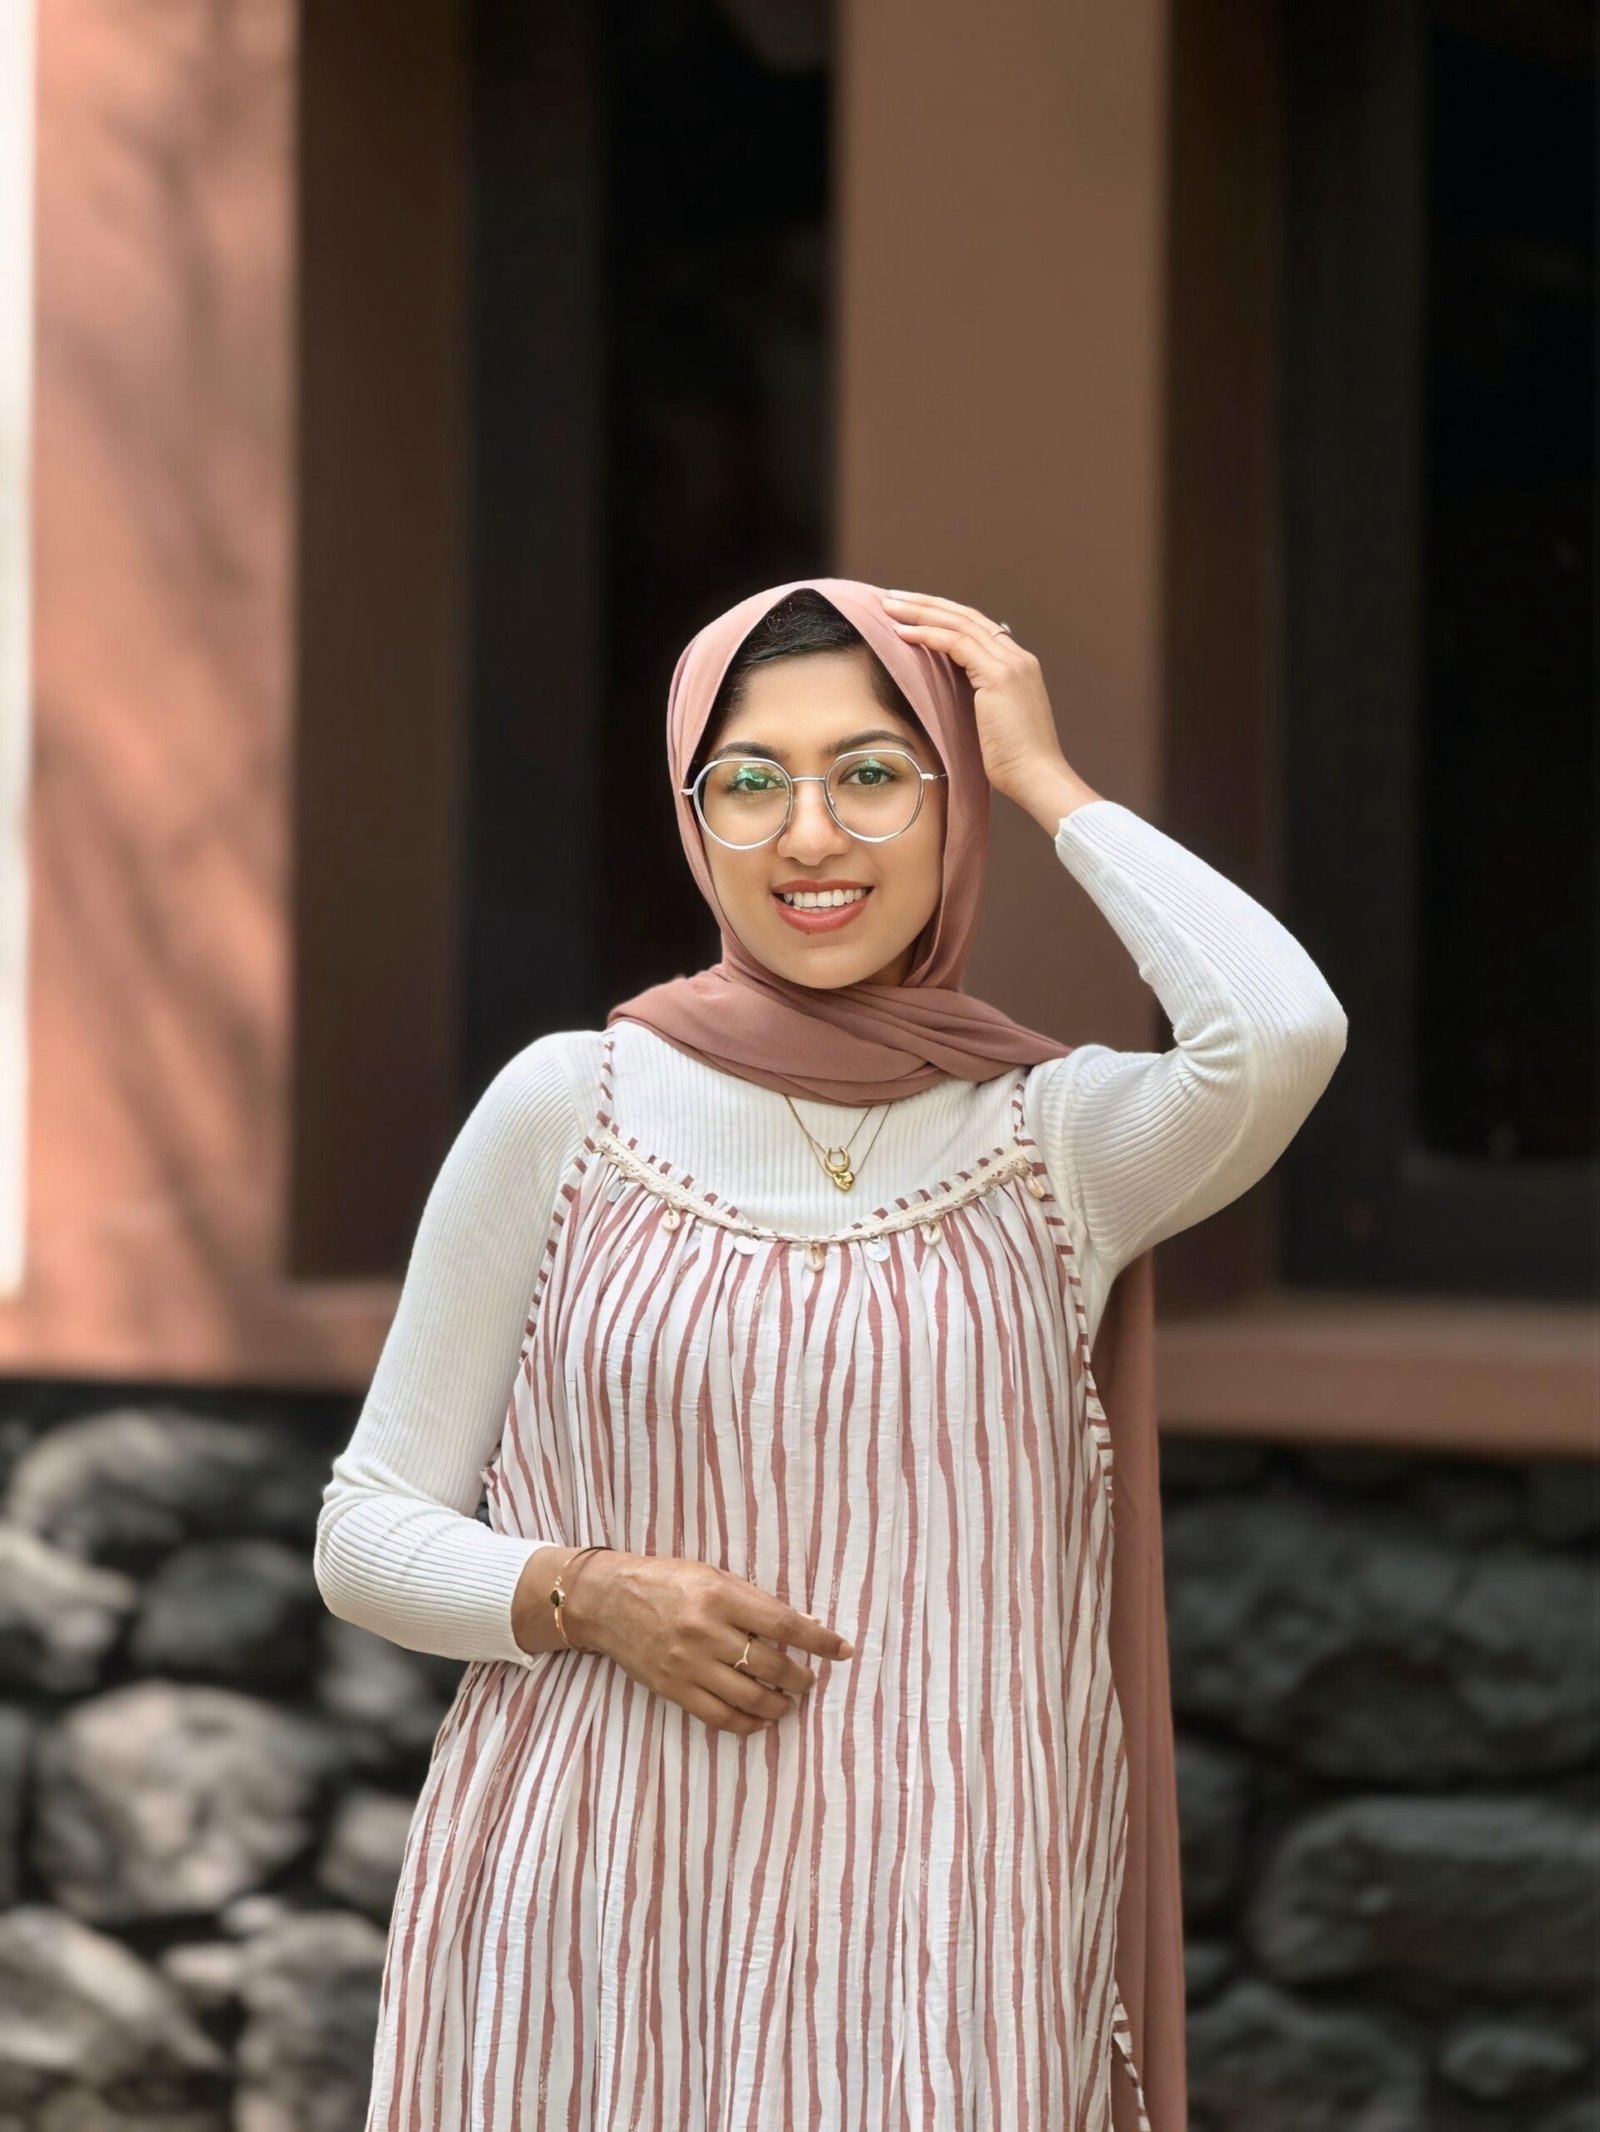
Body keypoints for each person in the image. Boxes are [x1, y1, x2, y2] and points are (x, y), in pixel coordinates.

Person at [315, 577, 1348, 2132]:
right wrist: (588, 1593)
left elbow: (1280, 1033)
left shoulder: (1053, 1143)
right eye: (750, 783)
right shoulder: (572, 1105)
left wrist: (1048, 782)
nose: (811, 836)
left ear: (953, 804)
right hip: (606, 1903)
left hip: (943, 1930)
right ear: (694, 819)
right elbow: (364, 1533)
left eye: (873, 774)